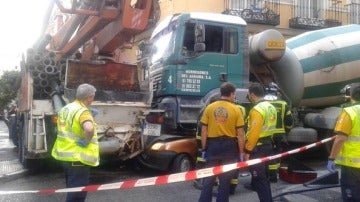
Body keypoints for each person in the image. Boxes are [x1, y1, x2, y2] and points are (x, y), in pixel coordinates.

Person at [52, 83, 99, 202]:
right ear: (89, 97)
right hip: (78, 159)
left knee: (72, 190)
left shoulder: (66, 108)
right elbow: (89, 128)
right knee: (77, 196)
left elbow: (69, 127)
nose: (93, 99)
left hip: (66, 157)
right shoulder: (83, 112)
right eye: (93, 96)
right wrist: (86, 141)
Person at [198, 82, 245, 202]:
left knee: (209, 177)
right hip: (229, 147)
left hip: (212, 146)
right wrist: (241, 152)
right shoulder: (236, 109)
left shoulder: (210, 108)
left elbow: (203, 130)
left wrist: (204, 148)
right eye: (234, 94)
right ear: (232, 94)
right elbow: (240, 134)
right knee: (225, 180)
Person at [327, 82, 360, 202]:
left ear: (351, 96)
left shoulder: (349, 112)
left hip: (352, 165)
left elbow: (340, 139)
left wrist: (331, 158)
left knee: (352, 196)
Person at [244, 82, 277, 202]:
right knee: (265, 178)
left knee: (259, 180)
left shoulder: (257, 110)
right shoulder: (271, 107)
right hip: (268, 145)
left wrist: (247, 150)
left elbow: (254, 133)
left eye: (249, 94)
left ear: (252, 94)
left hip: (257, 148)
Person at [265, 83, 294, 183]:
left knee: (265, 154)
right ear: (276, 92)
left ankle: (266, 174)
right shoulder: (283, 104)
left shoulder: (261, 103)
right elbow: (289, 121)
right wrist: (287, 130)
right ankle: (274, 175)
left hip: (265, 134)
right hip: (278, 135)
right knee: (276, 154)